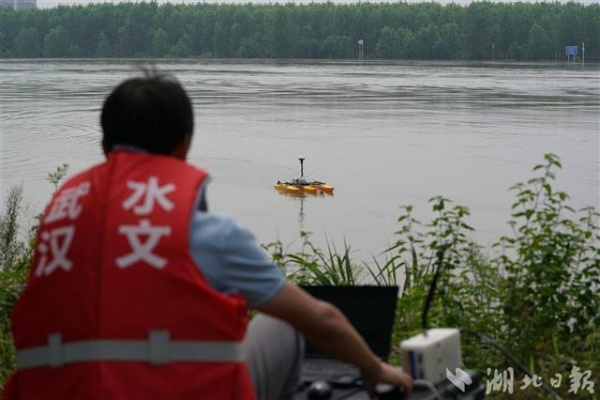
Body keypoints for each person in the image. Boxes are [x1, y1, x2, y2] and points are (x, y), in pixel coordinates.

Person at [4, 69, 413, 400]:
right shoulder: (206, 232)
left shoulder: (60, 227)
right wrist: (375, 369)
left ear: (105, 144)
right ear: (183, 145)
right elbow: (321, 322)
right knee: (284, 325)